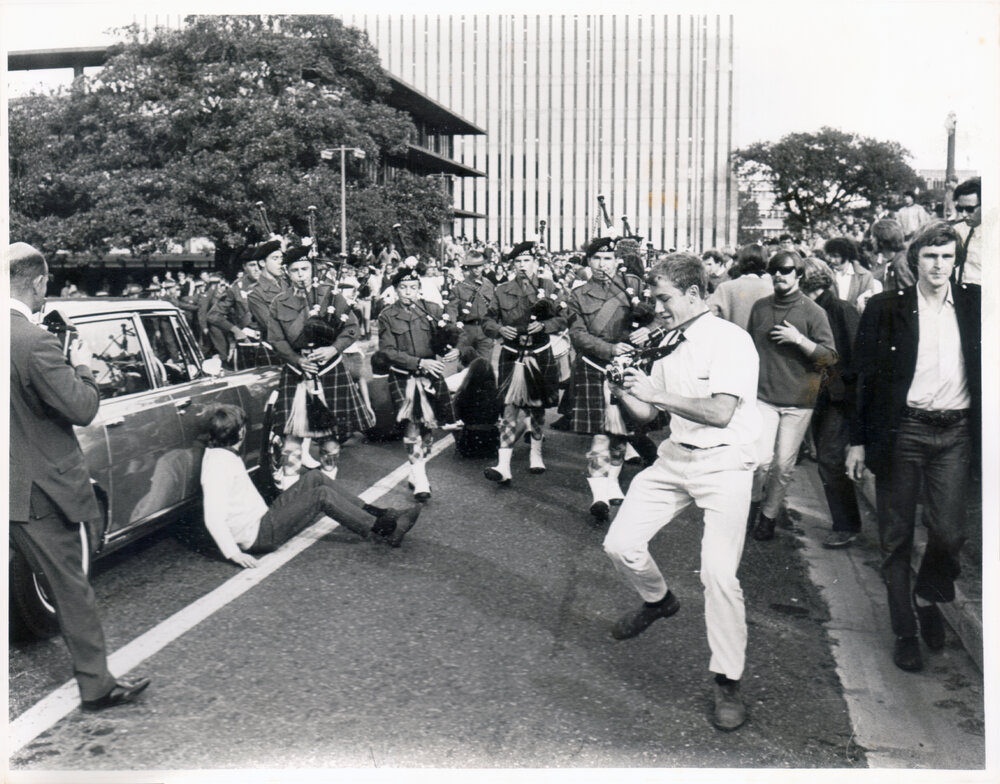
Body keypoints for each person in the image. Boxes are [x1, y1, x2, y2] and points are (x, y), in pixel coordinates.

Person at [601, 253, 761, 732]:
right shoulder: (666, 342)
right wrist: (625, 390)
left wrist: (653, 394)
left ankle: (728, 681)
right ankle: (658, 601)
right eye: (654, 298)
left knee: (718, 575)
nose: (658, 307)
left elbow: (719, 413)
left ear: (694, 294)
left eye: (664, 298)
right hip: (676, 457)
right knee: (619, 544)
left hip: (726, 462)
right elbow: (650, 417)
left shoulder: (732, 341)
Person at [7, 242, 151, 712]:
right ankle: (97, 686)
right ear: (39, 282)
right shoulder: (34, 342)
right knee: (71, 588)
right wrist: (83, 361)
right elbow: (82, 408)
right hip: (38, 492)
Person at [847, 221, 980, 673]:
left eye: (946, 256)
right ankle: (905, 630)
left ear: (956, 260)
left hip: (956, 433)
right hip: (904, 431)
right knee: (896, 538)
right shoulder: (886, 308)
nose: (939, 265)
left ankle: (927, 596)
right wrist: (858, 441)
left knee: (950, 533)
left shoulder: (977, 305)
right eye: (930, 256)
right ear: (914, 259)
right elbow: (860, 378)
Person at [200, 405, 421, 565]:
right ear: (240, 432)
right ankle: (386, 530)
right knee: (321, 495)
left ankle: (384, 514)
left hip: (262, 519)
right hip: (258, 535)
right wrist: (233, 554)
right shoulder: (217, 467)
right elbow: (213, 517)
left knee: (316, 478)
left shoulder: (222, 454)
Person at [264, 246, 374, 487]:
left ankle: (328, 484)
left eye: (304, 269)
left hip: (330, 369)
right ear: (287, 273)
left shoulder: (331, 295)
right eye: (294, 270)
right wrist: (298, 360)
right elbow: (276, 340)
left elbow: (352, 329)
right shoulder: (279, 303)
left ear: (312, 269)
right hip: (297, 371)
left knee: (331, 438)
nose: (300, 275)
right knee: (291, 436)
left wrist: (333, 349)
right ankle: (291, 491)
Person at [746, 251, 837, 541]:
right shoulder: (760, 308)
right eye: (774, 270)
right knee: (759, 461)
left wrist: (799, 340)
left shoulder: (813, 312)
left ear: (799, 275)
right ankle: (753, 504)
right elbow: (748, 351)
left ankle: (769, 517)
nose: (779, 275)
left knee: (783, 465)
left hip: (799, 401)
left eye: (786, 270)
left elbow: (829, 359)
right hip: (763, 396)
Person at [565, 237, 656, 520]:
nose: (602, 264)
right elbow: (578, 335)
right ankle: (599, 497)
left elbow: (662, 315)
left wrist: (650, 331)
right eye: (596, 259)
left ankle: (613, 481)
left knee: (621, 435)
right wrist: (611, 349)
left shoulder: (635, 288)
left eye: (607, 259)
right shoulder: (578, 295)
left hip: (629, 367)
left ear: (616, 260)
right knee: (601, 437)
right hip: (595, 368)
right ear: (588, 262)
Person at [481, 241, 567, 484]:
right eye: (517, 262)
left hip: (539, 352)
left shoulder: (549, 286)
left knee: (537, 407)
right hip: (512, 353)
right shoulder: (502, 290)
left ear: (535, 263)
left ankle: (535, 453)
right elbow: (487, 320)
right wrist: (499, 329)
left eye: (526, 261)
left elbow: (564, 318)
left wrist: (545, 326)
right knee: (509, 408)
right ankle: (503, 465)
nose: (522, 266)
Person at [377, 263, 459, 500]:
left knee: (428, 430)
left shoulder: (432, 310)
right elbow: (387, 351)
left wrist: (454, 348)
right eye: (404, 287)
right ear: (396, 290)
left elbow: (452, 334)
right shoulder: (387, 316)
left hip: (430, 376)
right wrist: (419, 363)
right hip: (404, 376)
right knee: (412, 425)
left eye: (413, 287)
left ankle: (417, 470)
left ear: (419, 289)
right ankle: (420, 476)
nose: (409, 292)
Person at [799, 258, 863, 548]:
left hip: (838, 397)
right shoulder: (817, 309)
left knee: (830, 459)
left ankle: (846, 525)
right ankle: (845, 523)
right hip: (825, 395)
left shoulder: (838, 310)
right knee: (827, 460)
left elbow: (853, 360)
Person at [208, 248, 263, 365]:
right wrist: (235, 330)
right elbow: (213, 315)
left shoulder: (277, 284)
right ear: (244, 266)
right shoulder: (236, 288)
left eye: (260, 264)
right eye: (252, 265)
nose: (257, 269)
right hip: (249, 342)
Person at [707, 243, 773, 331]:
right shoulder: (771, 289)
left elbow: (706, 316)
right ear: (765, 263)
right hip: (761, 342)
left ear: (740, 262)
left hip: (731, 341)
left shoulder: (724, 288)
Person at [446, 249, 496, 362]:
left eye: (480, 266)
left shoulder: (489, 285)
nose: (477, 269)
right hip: (466, 331)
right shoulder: (459, 288)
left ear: (484, 266)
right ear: (468, 267)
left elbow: (495, 308)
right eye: (473, 266)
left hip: (485, 330)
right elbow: (451, 310)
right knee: (465, 367)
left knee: (485, 366)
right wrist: (455, 330)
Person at [822, 236, 881, 312]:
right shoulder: (825, 274)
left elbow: (868, 305)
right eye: (830, 256)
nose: (832, 260)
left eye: (836, 256)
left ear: (846, 255)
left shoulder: (865, 276)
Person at [950, 176, 981, 287]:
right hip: (960, 293)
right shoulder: (957, 230)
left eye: (969, 209)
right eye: (960, 209)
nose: (963, 215)